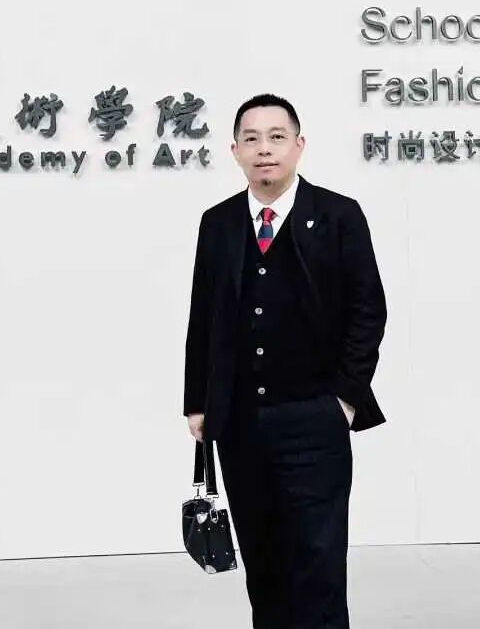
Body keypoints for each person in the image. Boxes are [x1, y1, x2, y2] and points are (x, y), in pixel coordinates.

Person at [183, 93, 387, 629]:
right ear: (234, 151)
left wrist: (343, 400)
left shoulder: (339, 215)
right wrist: (198, 403)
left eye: (277, 137)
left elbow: (368, 310)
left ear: (299, 145)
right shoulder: (218, 223)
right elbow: (203, 316)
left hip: (314, 418)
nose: (264, 149)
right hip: (241, 423)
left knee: (318, 564)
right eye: (251, 139)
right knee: (264, 565)